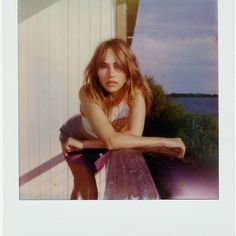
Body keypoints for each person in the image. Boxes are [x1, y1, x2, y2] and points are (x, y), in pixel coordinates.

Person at [59, 38, 186, 200]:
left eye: (118, 66)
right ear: (96, 72)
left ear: (128, 70)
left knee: (80, 184)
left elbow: (132, 138)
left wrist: (87, 144)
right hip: (75, 138)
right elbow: (112, 141)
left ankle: (76, 190)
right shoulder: (87, 93)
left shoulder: (136, 94)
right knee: (89, 194)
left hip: (92, 142)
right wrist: (164, 141)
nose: (111, 74)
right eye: (103, 66)